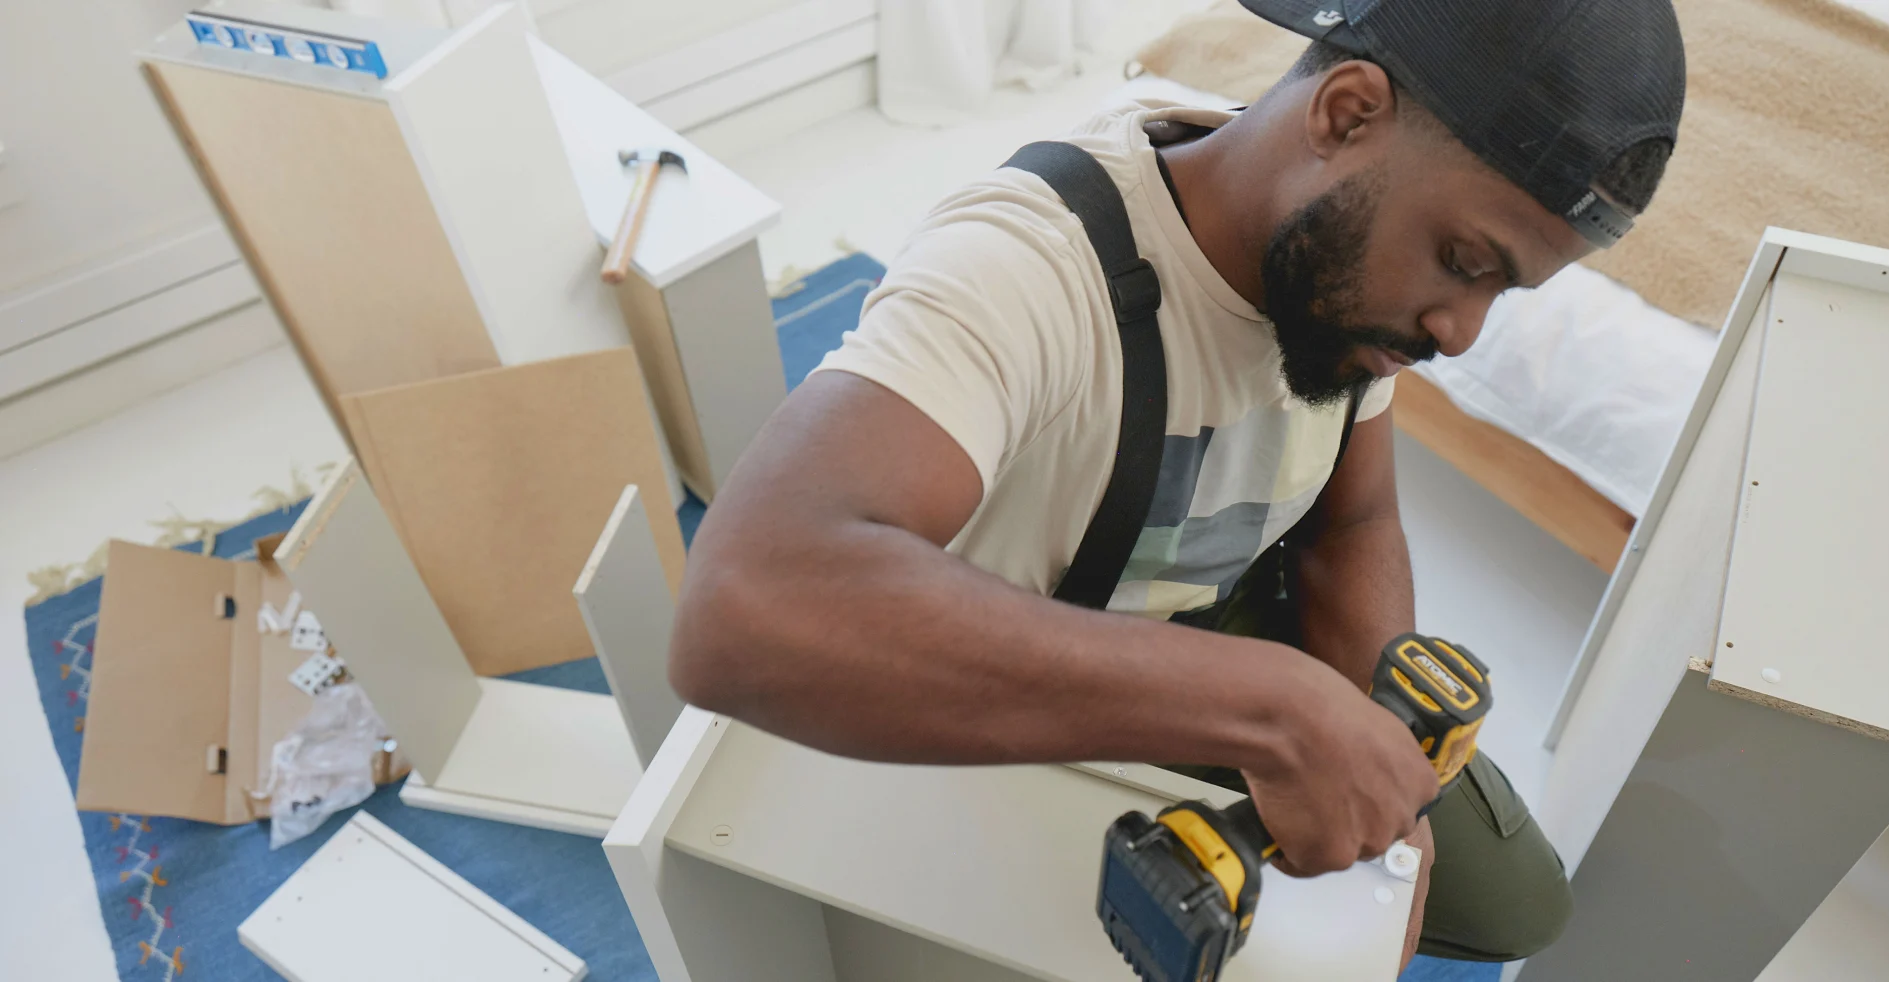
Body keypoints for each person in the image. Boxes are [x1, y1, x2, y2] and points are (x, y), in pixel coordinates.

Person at [668, 0, 1685, 965]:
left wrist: (1387, 797)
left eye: (1504, 289)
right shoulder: (1027, 263)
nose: (1459, 333)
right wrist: (1272, 708)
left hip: (1209, 610)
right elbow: (743, 604)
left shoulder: (1334, 264)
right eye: (1464, 260)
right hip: (1021, 651)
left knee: (1519, 901)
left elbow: (1352, 525)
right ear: (1346, 113)